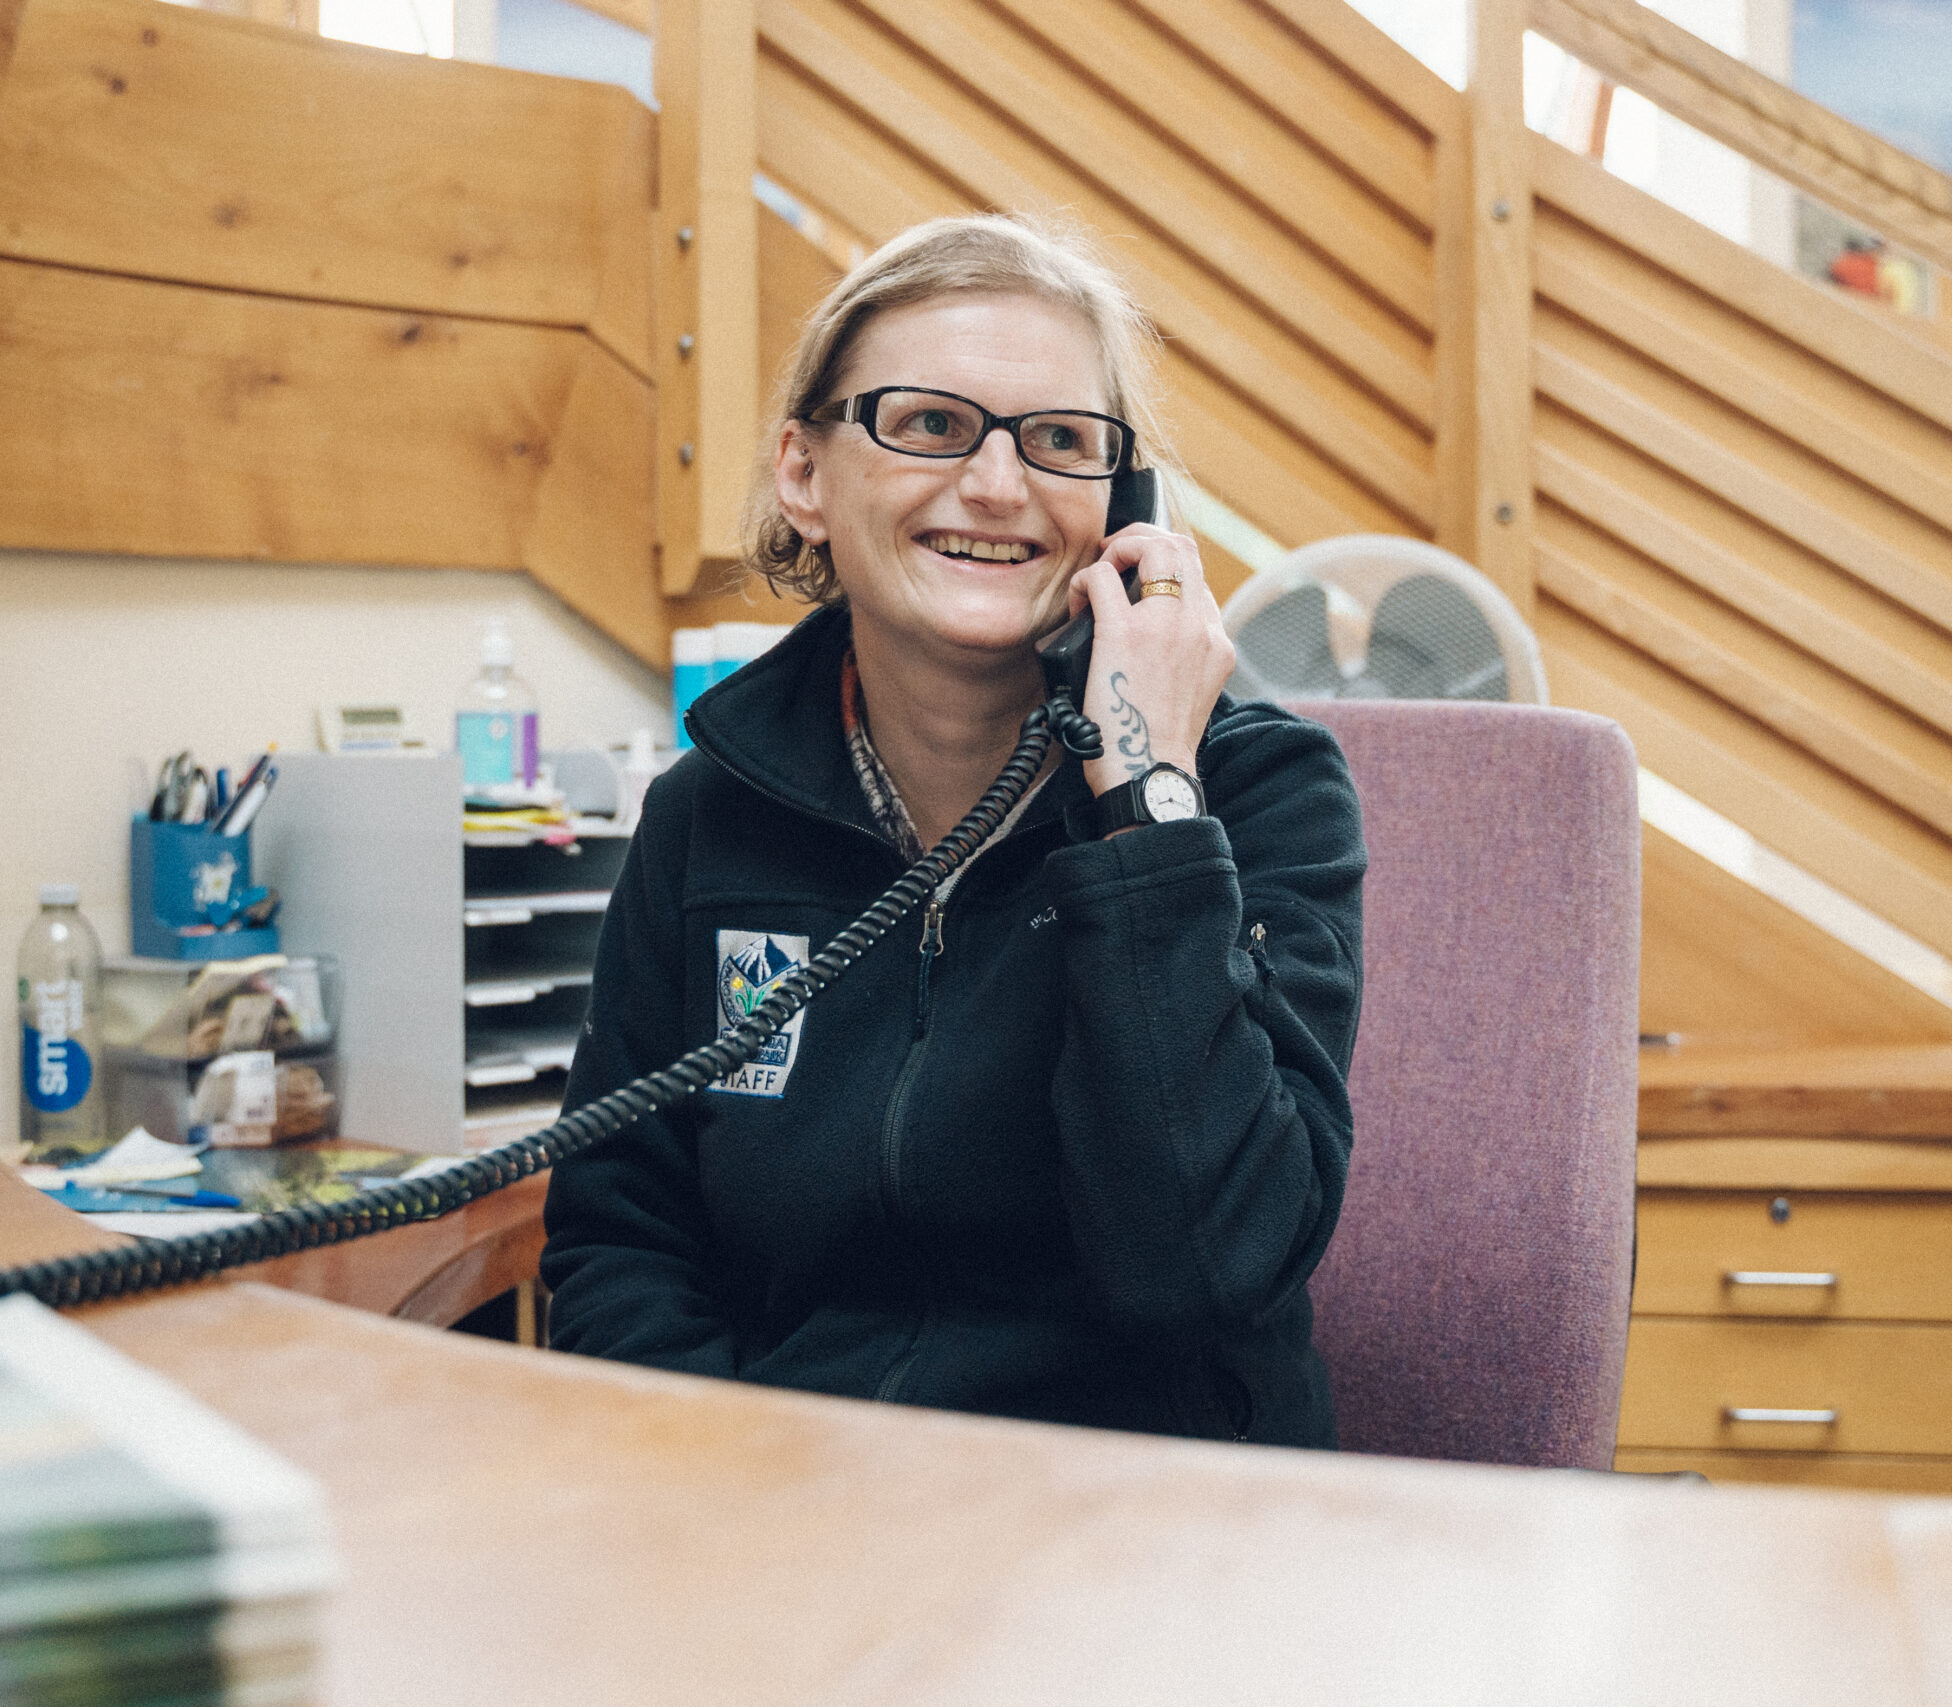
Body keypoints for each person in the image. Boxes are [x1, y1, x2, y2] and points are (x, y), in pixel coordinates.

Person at [539, 214, 1365, 1447]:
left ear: (1121, 504)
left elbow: (1205, 1269)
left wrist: (1144, 800)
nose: (994, 485)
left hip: (1151, 1537)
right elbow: (621, 1239)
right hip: (794, 1515)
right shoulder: (709, 811)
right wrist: (721, 1481)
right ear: (804, 476)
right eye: (927, 424)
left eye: (1059, 442)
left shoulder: (1255, 797)